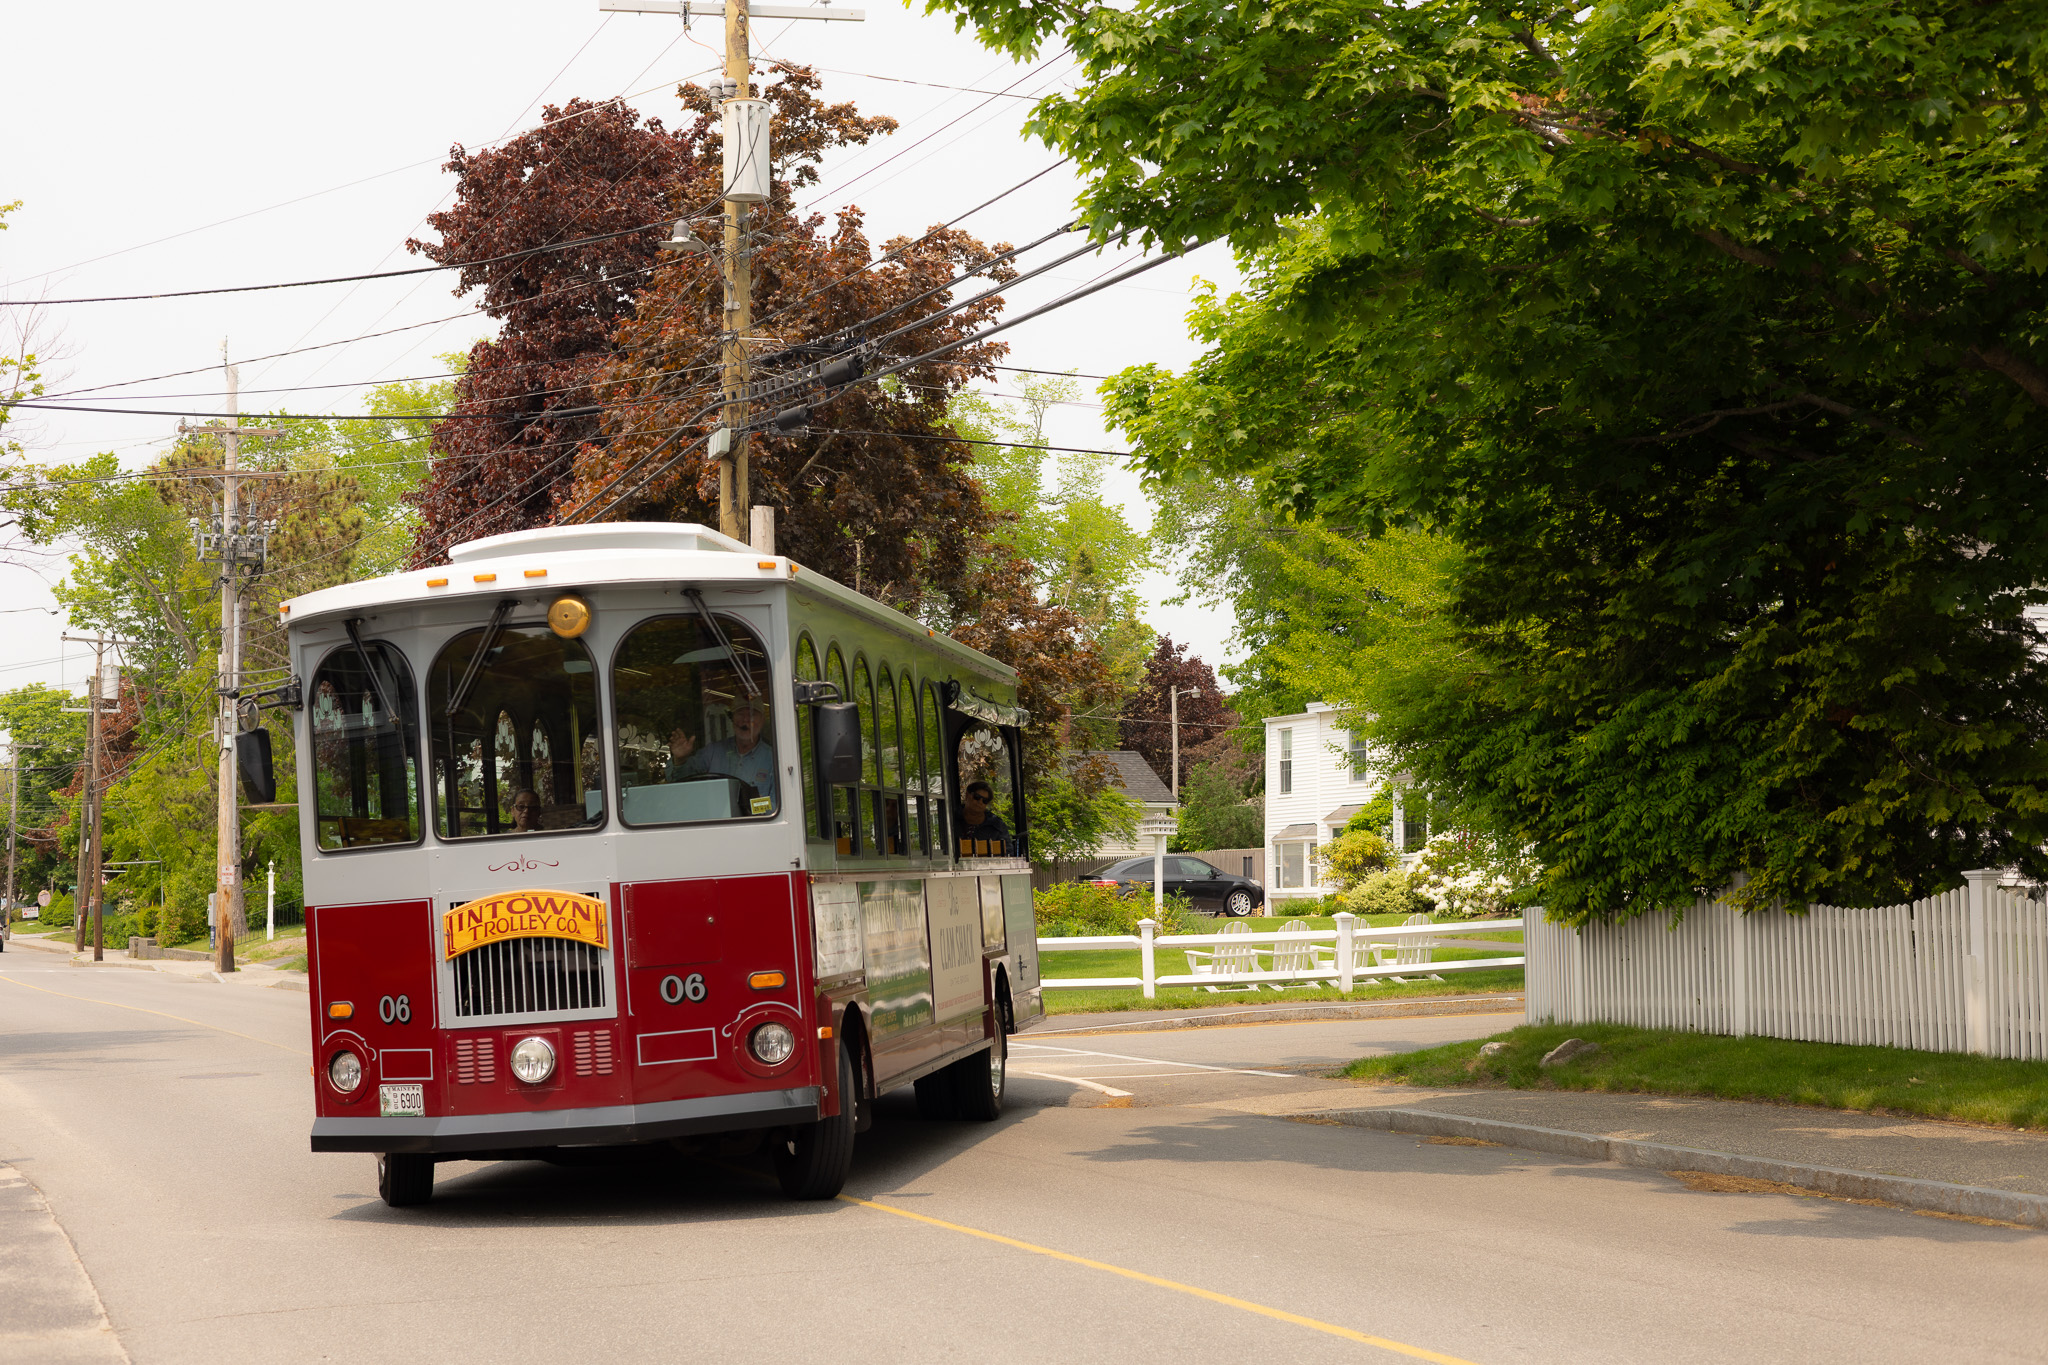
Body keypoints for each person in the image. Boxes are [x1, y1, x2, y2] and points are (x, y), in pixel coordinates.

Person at [668, 695, 778, 804]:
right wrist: (680, 760)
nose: (745, 720)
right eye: (740, 714)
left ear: (762, 720)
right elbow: (680, 784)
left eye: (752, 714)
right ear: (732, 718)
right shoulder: (712, 752)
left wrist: (753, 805)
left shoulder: (773, 759)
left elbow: (776, 806)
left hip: (755, 821)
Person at [957, 780, 1010, 846]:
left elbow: (1007, 852)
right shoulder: (951, 819)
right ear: (967, 795)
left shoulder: (997, 825)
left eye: (985, 801)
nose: (980, 802)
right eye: (977, 797)